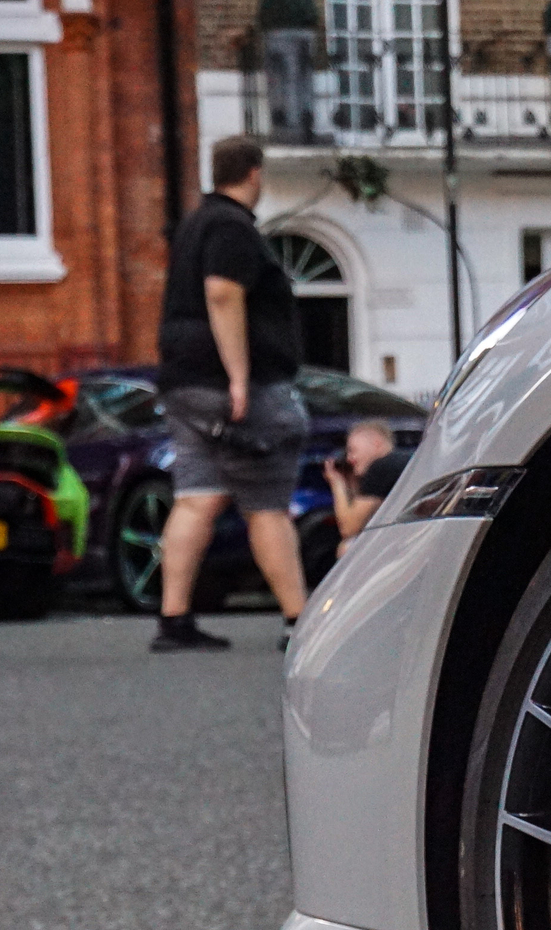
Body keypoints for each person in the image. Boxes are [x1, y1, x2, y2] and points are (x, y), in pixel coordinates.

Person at [150, 135, 309, 653]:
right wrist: (238, 375)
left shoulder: (193, 225)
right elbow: (223, 293)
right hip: (237, 388)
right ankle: (299, 622)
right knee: (266, 501)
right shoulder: (231, 226)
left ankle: (173, 619)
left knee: (196, 497)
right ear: (254, 174)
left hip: (184, 383)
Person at [321, 419, 411, 556]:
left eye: (353, 450)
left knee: (348, 546)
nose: (350, 459)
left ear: (376, 443)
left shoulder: (383, 466)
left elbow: (348, 528)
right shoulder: (401, 462)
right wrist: (352, 483)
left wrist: (337, 483)